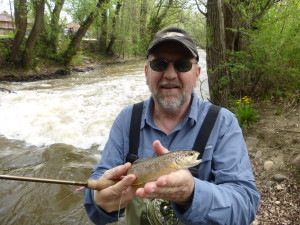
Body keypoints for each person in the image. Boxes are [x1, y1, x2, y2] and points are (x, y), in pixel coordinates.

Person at [84, 27, 260, 225]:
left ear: (197, 74)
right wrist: (99, 201)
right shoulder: (127, 119)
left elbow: (246, 206)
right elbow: (95, 204)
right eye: (159, 64)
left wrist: (191, 193)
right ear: (146, 72)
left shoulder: (223, 122)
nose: (170, 74)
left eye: (182, 65)